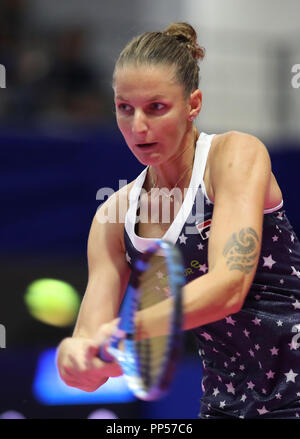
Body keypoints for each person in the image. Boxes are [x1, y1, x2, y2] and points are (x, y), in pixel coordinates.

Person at [56, 22, 300, 419]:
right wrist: (76, 358)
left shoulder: (235, 155)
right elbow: (91, 367)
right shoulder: (112, 219)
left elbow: (228, 288)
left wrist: (128, 330)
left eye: (156, 107)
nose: (138, 127)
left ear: (193, 104)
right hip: (224, 406)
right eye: (124, 108)